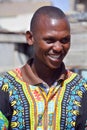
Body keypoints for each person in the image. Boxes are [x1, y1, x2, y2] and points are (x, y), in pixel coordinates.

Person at [0, 6, 87, 130]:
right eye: (49, 40)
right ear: (30, 38)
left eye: (64, 40)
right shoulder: (5, 86)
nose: (58, 47)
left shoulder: (81, 88)